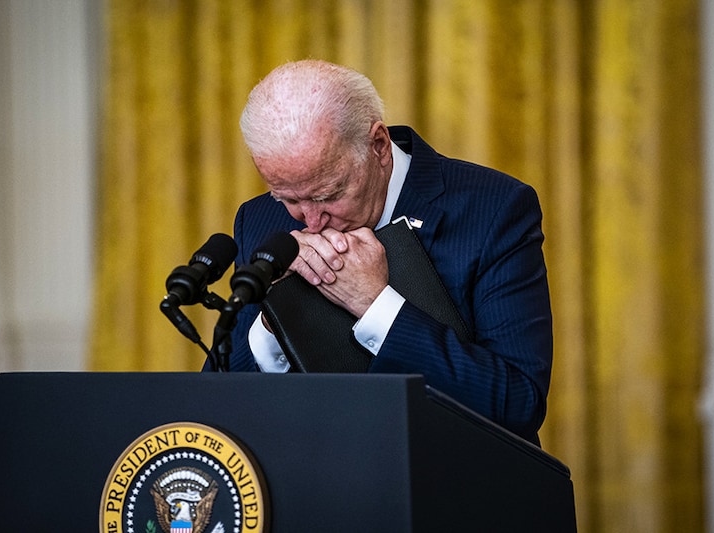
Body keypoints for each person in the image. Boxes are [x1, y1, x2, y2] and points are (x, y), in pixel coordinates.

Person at [209, 59, 552, 446]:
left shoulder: (493, 208)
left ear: (378, 146)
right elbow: (217, 411)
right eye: (288, 198)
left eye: (329, 195)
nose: (313, 221)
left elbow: (517, 404)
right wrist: (274, 323)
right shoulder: (258, 220)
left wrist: (376, 305)